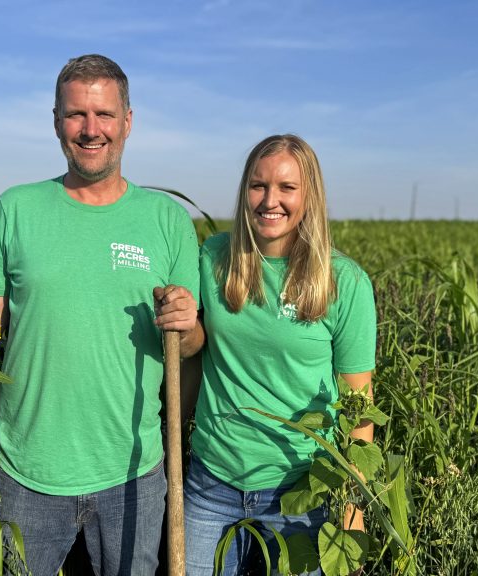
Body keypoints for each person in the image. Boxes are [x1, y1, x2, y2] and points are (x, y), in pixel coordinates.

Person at [0, 54, 203, 576]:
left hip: (133, 471)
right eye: (75, 114)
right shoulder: (17, 208)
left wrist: (186, 323)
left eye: (104, 114)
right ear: (56, 120)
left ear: (128, 121)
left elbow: (191, 342)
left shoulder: (168, 220)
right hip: (26, 472)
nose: (91, 130)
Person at [183, 135, 377, 575]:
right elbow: (192, 351)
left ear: (309, 195)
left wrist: (353, 506)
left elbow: (358, 405)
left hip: (300, 493)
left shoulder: (344, 283)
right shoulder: (214, 257)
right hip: (211, 481)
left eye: (287, 187)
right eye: (258, 185)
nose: (270, 200)